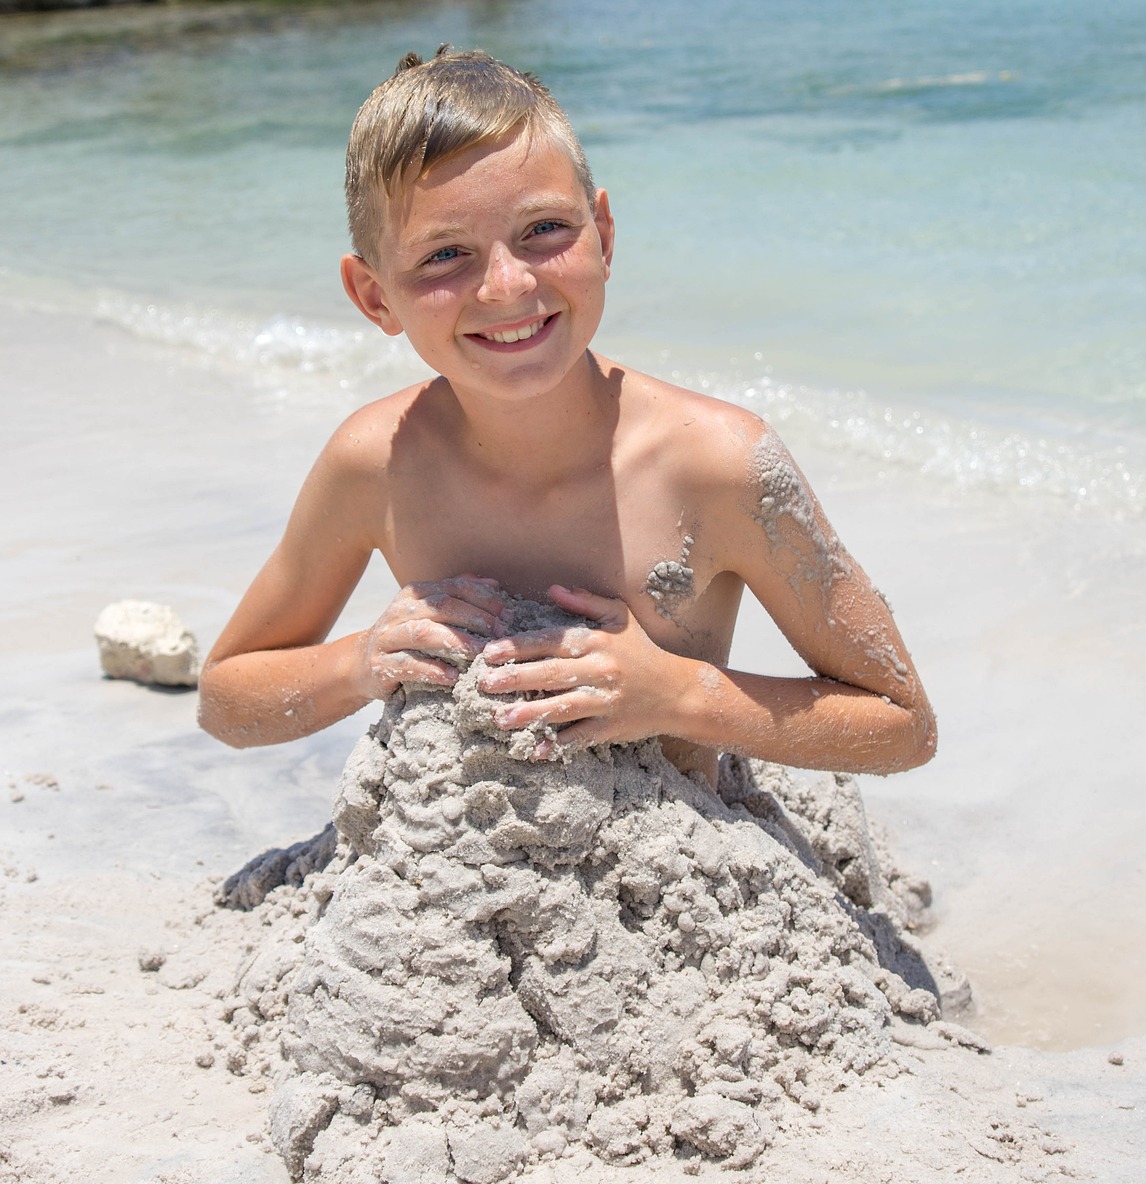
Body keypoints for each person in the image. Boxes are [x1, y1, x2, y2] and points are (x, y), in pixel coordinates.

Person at [197, 46, 936, 788]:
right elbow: (226, 701)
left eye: (545, 229)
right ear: (374, 297)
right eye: (445, 254)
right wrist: (354, 666)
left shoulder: (719, 466)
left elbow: (904, 726)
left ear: (604, 234)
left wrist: (679, 694)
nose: (507, 285)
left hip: (671, 871)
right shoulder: (378, 463)